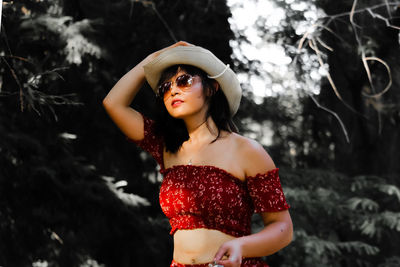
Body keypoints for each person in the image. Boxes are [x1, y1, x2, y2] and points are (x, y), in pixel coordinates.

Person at [102, 41, 293, 267]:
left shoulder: (246, 150)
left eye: (184, 81)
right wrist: (153, 58)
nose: (173, 89)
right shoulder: (164, 146)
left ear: (212, 88)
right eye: (165, 87)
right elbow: (113, 103)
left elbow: (283, 229)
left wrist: (242, 246)